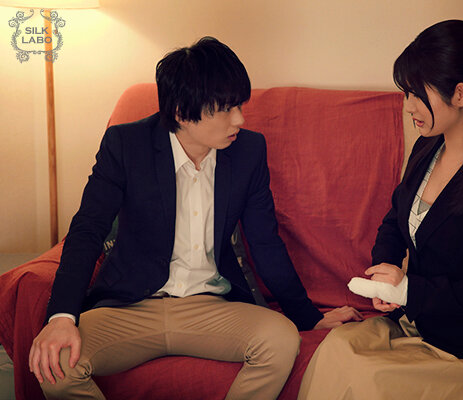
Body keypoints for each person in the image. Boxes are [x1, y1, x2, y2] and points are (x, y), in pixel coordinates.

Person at [28, 37, 362, 400]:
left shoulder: (248, 151)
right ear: (181, 112)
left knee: (281, 340)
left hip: (211, 306)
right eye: (226, 109)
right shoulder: (126, 145)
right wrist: (62, 317)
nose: (240, 119)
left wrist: (309, 317)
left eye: (239, 106)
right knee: (55, 364)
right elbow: (87, 231)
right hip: (129, 306)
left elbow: (265, 241)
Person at [298, 20, 463, 400]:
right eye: (405, 93)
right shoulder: (428, 147)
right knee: (336, 349)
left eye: (416, 94)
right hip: (422, 324)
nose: (407, 106)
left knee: (369, 380)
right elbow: (395, 219)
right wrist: (384, 273)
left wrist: (409, 289)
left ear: (460, 94)